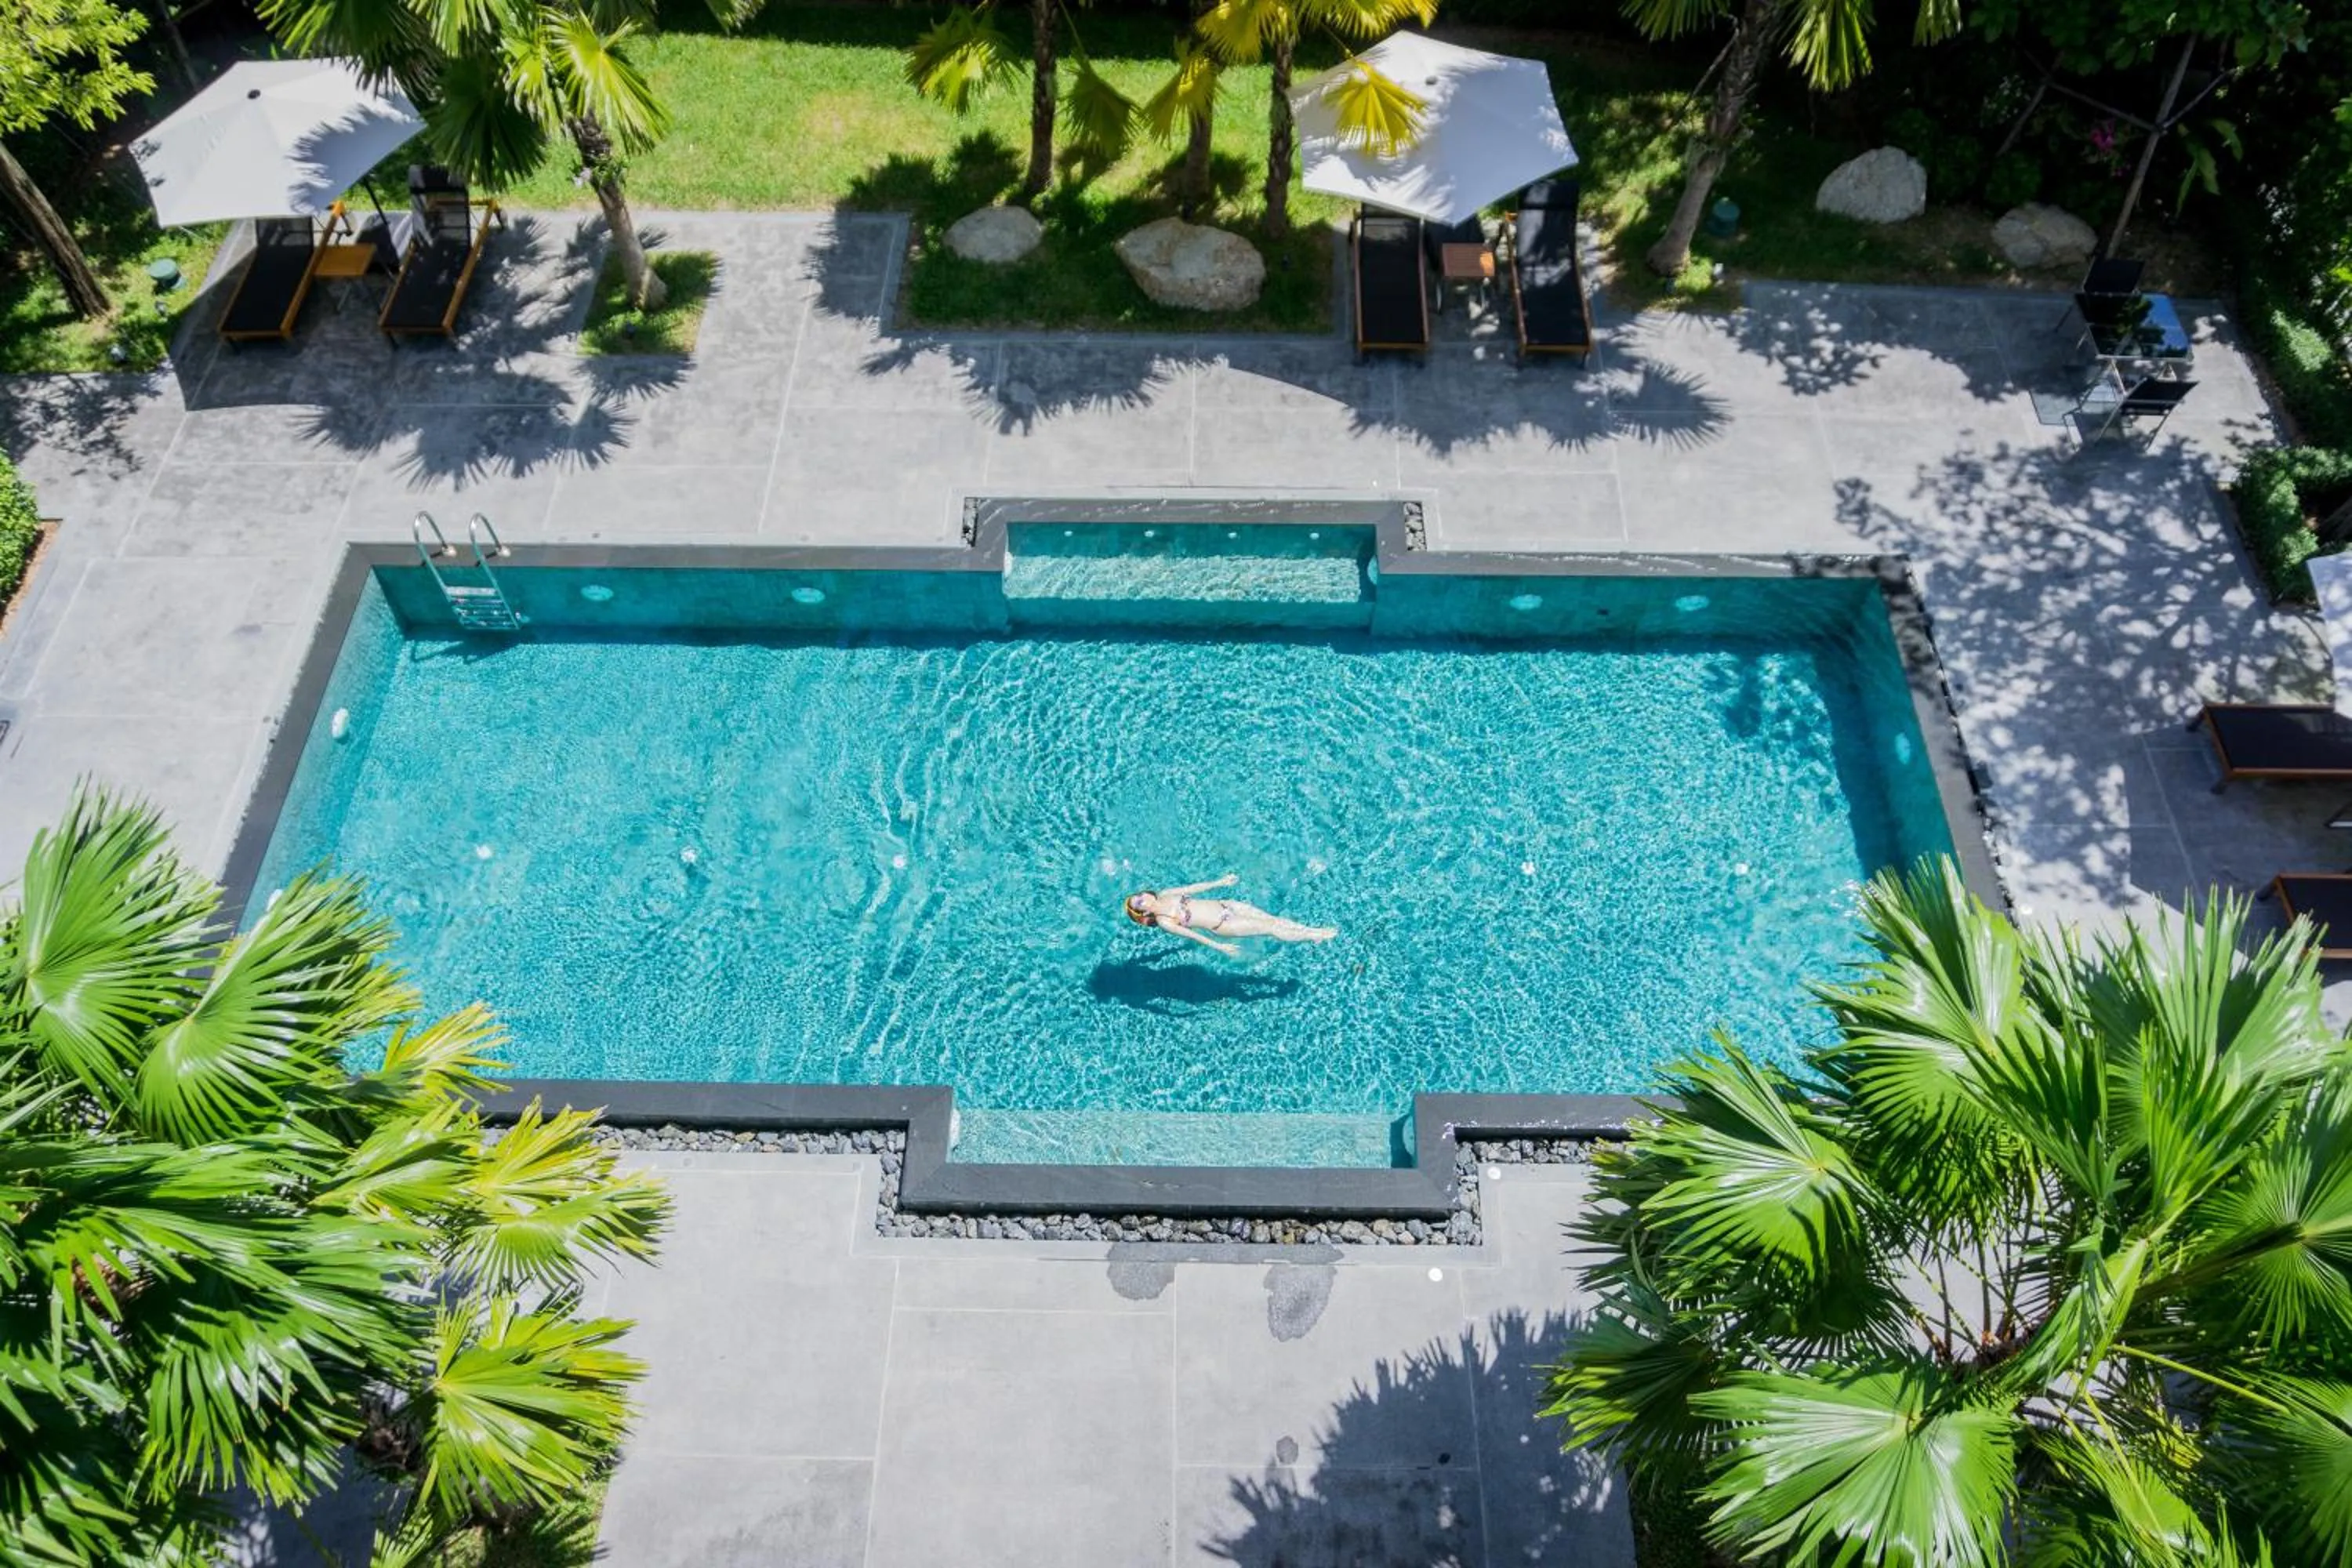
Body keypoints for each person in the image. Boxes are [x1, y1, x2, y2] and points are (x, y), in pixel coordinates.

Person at [1123, 874, 1337, 957]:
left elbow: (1193, 887)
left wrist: (1219, 882)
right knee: (1271, 929)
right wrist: (1220, 946)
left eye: (1139, 895)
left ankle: (1313, 932)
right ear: (1145, 912)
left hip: (1227, 905)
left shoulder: (1166, 894)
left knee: (1274, 920)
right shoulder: (1164, 921)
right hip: (1224, 925)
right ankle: (1312, 936)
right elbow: (1194, 936)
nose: (1142, 896)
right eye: (1139, 902)